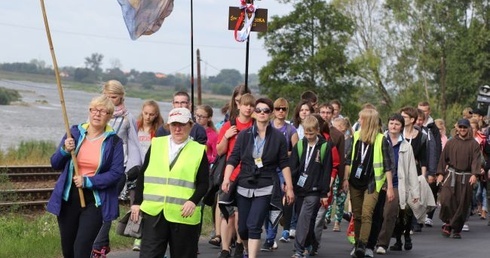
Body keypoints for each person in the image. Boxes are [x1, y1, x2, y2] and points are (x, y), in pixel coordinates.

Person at [47, 95, 124, 258]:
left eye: (103, 111)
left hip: (94, 201)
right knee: (68, 251)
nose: (97, 114)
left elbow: (116, 173)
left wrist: (89, 181)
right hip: (69, 199)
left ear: (109, 116)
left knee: (81, 249)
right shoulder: (74, 132)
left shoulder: (114, 142)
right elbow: (55, 163)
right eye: (94, 110)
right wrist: (64, 151)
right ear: (89, 112)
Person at [221, 98, 295, 258]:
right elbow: (233, 158)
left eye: (266, 110)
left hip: (266, 184)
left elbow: (284, 163)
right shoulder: (244, 135)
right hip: (244, 184)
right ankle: (248, 250)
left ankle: (252, 256)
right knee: (243, 228)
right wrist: (227, 178)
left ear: (270, 113)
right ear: (254, 113)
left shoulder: (278, 137)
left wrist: (289, 187)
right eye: (259, 110)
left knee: (254, 225)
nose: (262, 113)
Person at [130, 107, 209, 258]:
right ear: (168, 126)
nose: (177, 129)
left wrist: (193, 201)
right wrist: (136, 202)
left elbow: (204, 183)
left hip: (183, 214)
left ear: (191, 125)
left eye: (182, 124)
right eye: (174, 125)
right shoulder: (157, 144)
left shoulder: (198, 150)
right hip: (154, 211)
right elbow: (143, 174)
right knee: (149, 255)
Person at [93, 80, 142, 255]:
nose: (109, 100)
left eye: (113, 97)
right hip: (98, 167)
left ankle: (98, 246)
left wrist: (131, 171)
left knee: (108, 204)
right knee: (96, 205)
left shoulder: (128, 118)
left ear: (121, 96)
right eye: (106, 96)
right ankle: (103, 243)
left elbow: (134, 144)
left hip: (118, 168)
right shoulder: (99, 113)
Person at [343, 108, 395, 258]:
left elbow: (387, 166)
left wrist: (390, 187)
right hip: (355, 182)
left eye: (361, 119)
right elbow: (348, 160)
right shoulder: (356, 136)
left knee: (367, 214)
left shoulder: (381, 139)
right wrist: (346, 179)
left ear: (368, 121)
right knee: (357, 215)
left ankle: (362, 245)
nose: (359, 121)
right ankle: (357, 243)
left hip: (372, 184)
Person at [217, 93, 256, 258]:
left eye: (251, 105)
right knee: (227, 214)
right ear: (238, 105)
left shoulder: (257, 126)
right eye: (245, 104)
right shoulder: (229, 125)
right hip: (230, 175)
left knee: (242, 215)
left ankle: (240, 244)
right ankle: (225, 249)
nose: (248, 108)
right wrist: (226, 137)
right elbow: (219, 151)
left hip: (248, 176)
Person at [375, 114, 419, 255]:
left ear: (401, 127)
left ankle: (382, 243)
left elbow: (412, 170)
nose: (393, 126)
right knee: (375, 213)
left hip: (395, 184)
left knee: (390, 213)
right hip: (377, 182)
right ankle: (370, 241)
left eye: (397, 124)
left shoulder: (406, 146)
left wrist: (415, 192)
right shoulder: (379, 140)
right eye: (391, 123)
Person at [289, 115, 333, 258]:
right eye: (306, 133)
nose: (308, 136)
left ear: (317, 130)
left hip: (315, 190)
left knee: (304, 218)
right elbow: (292, 167)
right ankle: (311, 244)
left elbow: (327, 170)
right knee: (308, 219)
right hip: (300, 189)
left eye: (311, 133)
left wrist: (324, 193)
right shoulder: (300, 145)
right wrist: (289, 186)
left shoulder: (325, 146)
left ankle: (298, 250)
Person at [262, 97, 298, 250]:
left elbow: (296, 153)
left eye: (284, 109)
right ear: (273, 111)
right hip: (267, 169)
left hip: (283, 169)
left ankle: (271, 237)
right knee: (264, 203)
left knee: (277, 204)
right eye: (278, 109)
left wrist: (282, 153)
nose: (281, 111)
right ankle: (270, 233)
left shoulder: (291, 130)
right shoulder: (267, 126)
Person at [437, 119, 481, 239]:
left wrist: (474, 174)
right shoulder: (451, 142)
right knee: (446, 199)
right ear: (457, 128)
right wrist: (440, 173)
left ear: (468, 129)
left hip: (466, 177)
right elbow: (443, 158)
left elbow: (476, 160)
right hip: (451, 174)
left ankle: (455, 228)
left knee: (462, 203)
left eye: (465, 127)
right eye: (460, 127)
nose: (462, 129)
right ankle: (447, 222)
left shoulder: (474, 144)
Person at [132, 99, 164, 251]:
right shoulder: (136, 127)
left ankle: (145, 237)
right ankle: (137, 234)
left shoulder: (159, 131)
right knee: (136, 203)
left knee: (148, 204)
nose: (148, 117)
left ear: (156, 115)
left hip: (151, 169)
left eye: (151, 114)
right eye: (146, 113)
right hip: (136, 168)